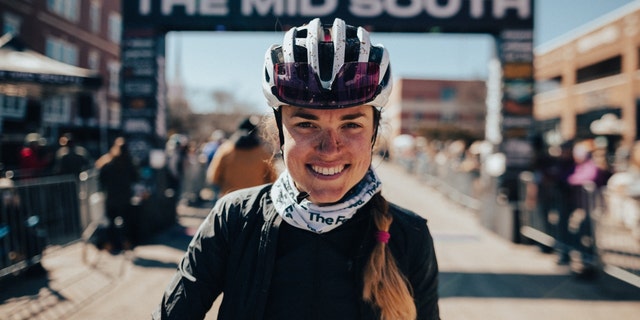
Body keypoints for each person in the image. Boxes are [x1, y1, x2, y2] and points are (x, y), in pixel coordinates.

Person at [154, 18, 440, 319]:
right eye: (306, 124)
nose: (330, 148)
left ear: (373, 134)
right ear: (278, 133)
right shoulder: (235, 219)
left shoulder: (409, 235)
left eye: (351, 124)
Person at [205, 116, 278, 197]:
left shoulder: (226, 150)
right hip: (255, 200)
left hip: (230, 198)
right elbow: (272, 178)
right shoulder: (263, 153)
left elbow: (213, 176)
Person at [98, 138, 139, 252]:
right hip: (125, 197)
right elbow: (136, 177)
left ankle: (112, 244)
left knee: (111, 222)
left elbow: (101, 178)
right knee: (126, 222)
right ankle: (126, 243)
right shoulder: (129, 162)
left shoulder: (108, 162)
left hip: (111, 197)